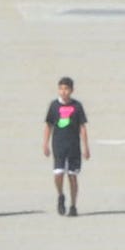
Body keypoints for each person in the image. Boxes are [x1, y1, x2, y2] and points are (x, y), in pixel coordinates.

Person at [43, 75, 90, 217]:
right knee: (58, 174)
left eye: (66, 89)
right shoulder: (54, 106)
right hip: (58, 145)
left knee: (72, 176)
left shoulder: (77, 106)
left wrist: (86, 147)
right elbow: (49, 125)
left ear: (71, 90)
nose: (63, 91)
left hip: (73, 146)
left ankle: (73, 206)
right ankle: (61, 195)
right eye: (61, 89)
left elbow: (82, 127)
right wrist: (45, 144)